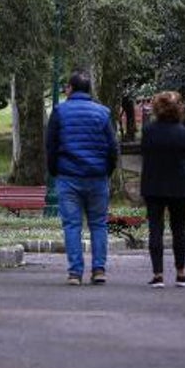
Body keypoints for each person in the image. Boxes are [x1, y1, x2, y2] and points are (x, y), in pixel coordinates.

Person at [45, 69, 119, 285]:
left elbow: (51, 145)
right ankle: (99, 270)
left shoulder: (60, 111)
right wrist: (108, 170)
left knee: (72, 225)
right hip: (97, 176)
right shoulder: (103, 113)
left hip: (68, 176)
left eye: (66, 86)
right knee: (98, 224)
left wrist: (54, 170)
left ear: (71, 88)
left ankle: (75, 272)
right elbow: (112, 147)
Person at [140, 90, 185, 288]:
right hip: (178, 187)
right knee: (178, 229)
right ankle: (181, 273)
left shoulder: (148, 131)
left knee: (155, 228)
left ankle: (157, 275)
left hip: (153, 184)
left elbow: (144, 154)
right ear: (178, 109)